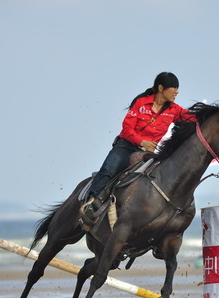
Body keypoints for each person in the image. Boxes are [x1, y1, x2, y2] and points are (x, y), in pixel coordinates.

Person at [80, 72, 190, 226]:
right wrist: (143, 141)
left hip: (149, 154)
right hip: (126, 146)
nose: (177, 92)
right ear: (161, 87)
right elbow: (126, 129)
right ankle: (90, 205)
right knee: (109, 169)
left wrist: (216, 115)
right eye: (174, 87)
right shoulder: (140, 103)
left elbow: (193, 118)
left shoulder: (175, 109)